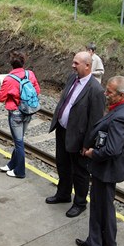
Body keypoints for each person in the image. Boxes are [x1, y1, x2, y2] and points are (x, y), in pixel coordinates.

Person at [75, 76, 124, 246]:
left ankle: (95, 244)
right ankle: (109, 242)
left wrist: (91, 153)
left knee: (98, 206)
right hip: (110, 169)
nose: (106, 94)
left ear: (120, 94)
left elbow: (111, 149)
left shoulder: (121, 118)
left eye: (109, 92)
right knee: (106, 205)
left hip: (106, 170)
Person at [46, 51, 105, 218]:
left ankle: (80, 203)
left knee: (80, 172)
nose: (73, 65)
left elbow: (95, 122)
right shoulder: (72, 78)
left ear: (88, 66)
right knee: (62, 164)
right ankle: (63, 194)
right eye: (73, 62)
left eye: (76, 63)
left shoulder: (96, 90)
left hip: (79, 139)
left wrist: (87, 144)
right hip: (63, 130)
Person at [0, 51, 40, 178]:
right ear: (23, 62)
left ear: (11, 64)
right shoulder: (29, 74)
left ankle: (20, 171)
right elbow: (37, 90)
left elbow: (0, 97)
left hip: (15, 113)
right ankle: (11, 164)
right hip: (28, 111)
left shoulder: (8, 79)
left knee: (19, 142)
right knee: (18, 140)